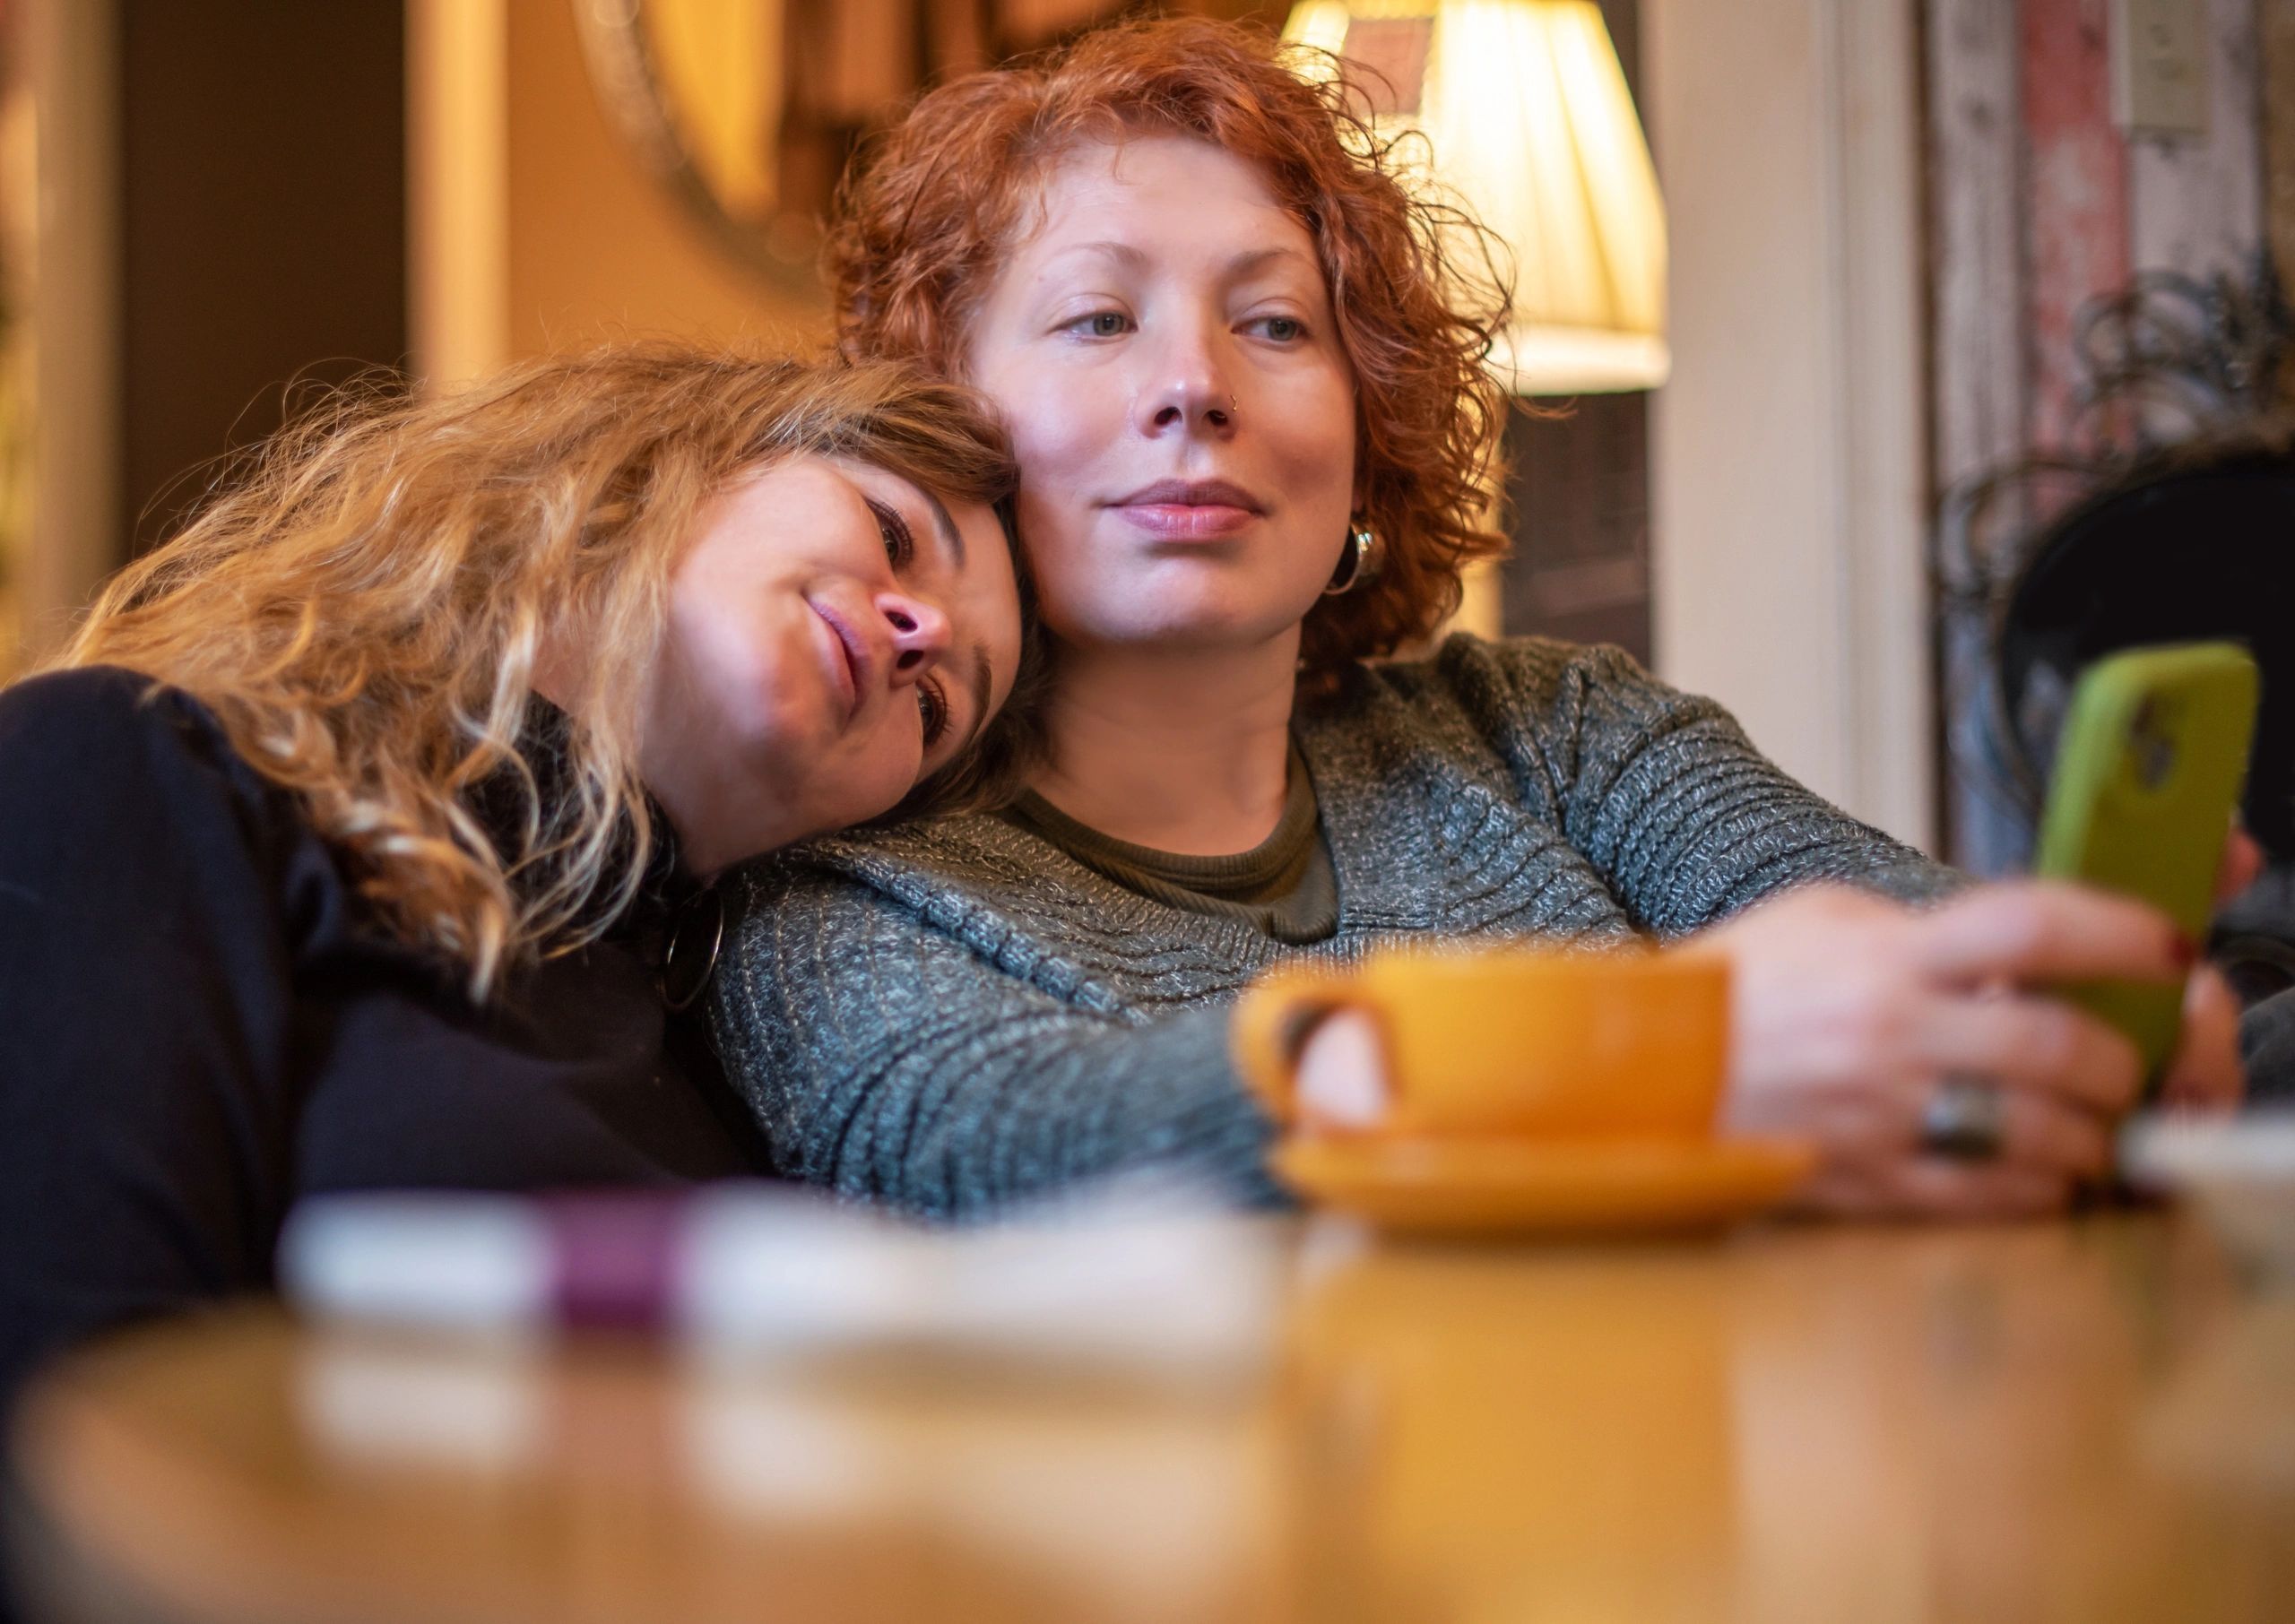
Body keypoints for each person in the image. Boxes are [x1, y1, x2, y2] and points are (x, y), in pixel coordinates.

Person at [705, 18, 2243, 1224]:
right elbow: (1012, 1156)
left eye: (1275, 324)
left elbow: (1885, 951)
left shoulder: (1558, 729)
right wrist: (1675, 1058)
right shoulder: (845, 894)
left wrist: (2055, 1008)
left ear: (1365, 436)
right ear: (945, 424)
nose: (1197, 385)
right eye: (1099, 318)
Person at [0, 345, 1025, 1415]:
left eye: (942, 711)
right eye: (896, 534)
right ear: (688, 452)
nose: (926, 634)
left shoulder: (751, 1065)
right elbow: (60, 1448)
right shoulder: (126, 770)